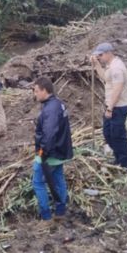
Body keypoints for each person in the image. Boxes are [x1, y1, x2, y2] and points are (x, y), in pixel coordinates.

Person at [32, 77, 73, 224]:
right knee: (58, 178)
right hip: (60, 151)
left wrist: (43, 153)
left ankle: (46, 215)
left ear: (44, 90)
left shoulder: (50, 109)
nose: (35, 94)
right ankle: (60, 210)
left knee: (37, 182)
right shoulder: (58, 104)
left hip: (50, 153)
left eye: (36, 91)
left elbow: (49, 134)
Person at [91, 42, 127, 172]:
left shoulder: (117, 68)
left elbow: (117, 89)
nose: (99, 58)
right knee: (108, 133)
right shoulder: (110, 66)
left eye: (101, 55)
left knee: (118, 135)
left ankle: (125, 164)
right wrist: (96, 65)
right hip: (111, 105)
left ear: (109, 53)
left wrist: (110, 108)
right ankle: (118, 158)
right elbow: (104, 78)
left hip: (118, 107)